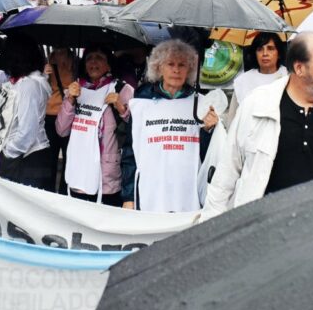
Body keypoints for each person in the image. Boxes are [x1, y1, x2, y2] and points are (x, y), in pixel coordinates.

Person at [202, 32, 313, 218]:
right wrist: (209, 223)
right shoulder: (256, 106)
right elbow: (226, 174)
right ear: (299, 68)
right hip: (262, 231)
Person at [124, 39, 218, 212]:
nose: (176, 70)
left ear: (190, 69)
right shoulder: (141, 105)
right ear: (159, 67)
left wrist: (209, 131)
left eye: (182, 65)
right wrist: (128, 197)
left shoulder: (202, 105)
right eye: (170, 64)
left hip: (188, 194)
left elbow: (210, 158)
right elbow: (130, 154)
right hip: (150, 192)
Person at [0, 28, 55, 190]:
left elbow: (26, 132)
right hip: (17, 157)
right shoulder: (14, 78)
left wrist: (5, 154)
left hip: (29, 160)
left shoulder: (30, 85)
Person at [56, 45, 134, 205]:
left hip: (105, 177)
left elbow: (136, 129)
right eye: (89, 58)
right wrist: (70, 100)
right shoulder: (76, 88)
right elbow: (62, 130)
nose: (93, 62)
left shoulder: (122, 89)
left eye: (99, 58)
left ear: (109, 64)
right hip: (78, 170)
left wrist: (121, 108)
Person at [230, 32, 288, 118]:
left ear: (279, 54)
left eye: (270, 48)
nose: (265, 54)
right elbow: (233, 117)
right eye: (260, 49)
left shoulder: (289, 78)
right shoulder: (243, 81)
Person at [44, 48, 77, 192]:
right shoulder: (50, 64)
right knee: (54, 158)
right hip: (54, 114)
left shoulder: (75, 65)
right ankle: (58, 192)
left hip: (63, 114)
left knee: (65, 158)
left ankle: (60, 191)